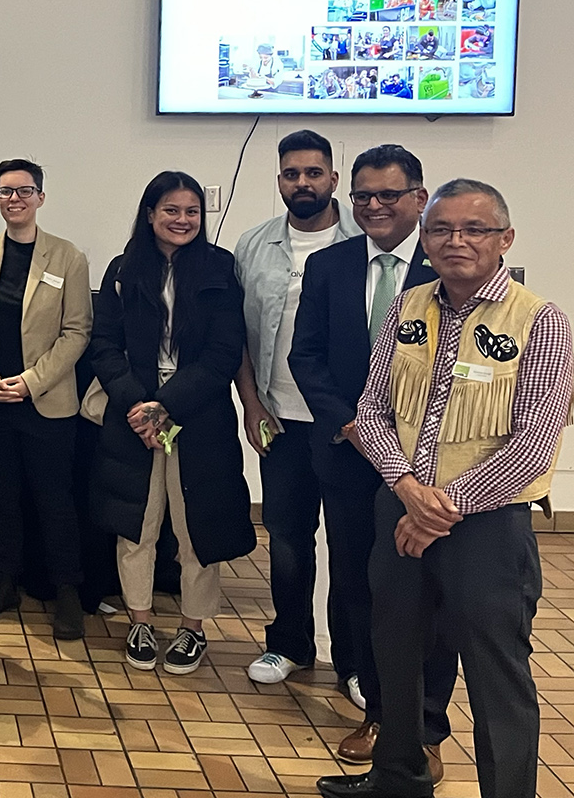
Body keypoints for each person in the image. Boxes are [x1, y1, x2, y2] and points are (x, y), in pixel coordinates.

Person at [318, 179, 571, 798]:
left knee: (496, 673)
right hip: (400, 508)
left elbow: (535, 442)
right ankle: (397, 779)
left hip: (488, 526)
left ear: (505, 239)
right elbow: (372, 411)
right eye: (441, 230)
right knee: (395, 652)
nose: (456, 240)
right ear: (425, 240)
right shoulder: (407, 307)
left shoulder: (540, 321)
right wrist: (407, 488)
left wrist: (441, 508)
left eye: (474, 229)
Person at [292, 146, 457, 779]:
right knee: (361, 585)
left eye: (389, 194)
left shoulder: (447, 266)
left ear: (419, 198)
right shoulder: (329, 264)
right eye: (363, 195)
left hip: (431, 470)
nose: (374, 206)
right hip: (350, 457)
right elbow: (305, 356)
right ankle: (379, 714)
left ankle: (428, 728)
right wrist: (352, 425)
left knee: (429, 596)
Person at [89, 171, 252, 675]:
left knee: (196, 526)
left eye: (192, 212)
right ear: (150, 214)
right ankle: (139, 620)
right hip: (134, 413)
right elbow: (104, 345)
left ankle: (193, 627)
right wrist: (139, 405)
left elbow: (225, 352)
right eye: (171, 210)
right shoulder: (123, 268)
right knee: (137, 524)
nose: (182, 220)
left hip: (198, 413)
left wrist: (166, 405)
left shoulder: (220, 268)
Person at [232, 130, 362, 687]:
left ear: (333, 178)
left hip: (349, 425)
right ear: (280, 180)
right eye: (291, 174)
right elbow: (239, 335)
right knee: (286, 539)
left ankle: (354, 662)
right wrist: (251, 404)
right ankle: (289, 644)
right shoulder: (254, 245)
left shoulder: (363, 242)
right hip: (280, 417)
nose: (302, 183)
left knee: (352, 544)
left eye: (313, 173)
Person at [0, 158, 93, 631]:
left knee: (55, 500)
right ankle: (3, 583)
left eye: (24, 191)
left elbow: (77, 331)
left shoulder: (68, 257)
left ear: (40, 198)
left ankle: (67, 590)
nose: (14, 199)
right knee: (0, 498)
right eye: (6, 191)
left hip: (47, 402)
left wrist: (31, 382)